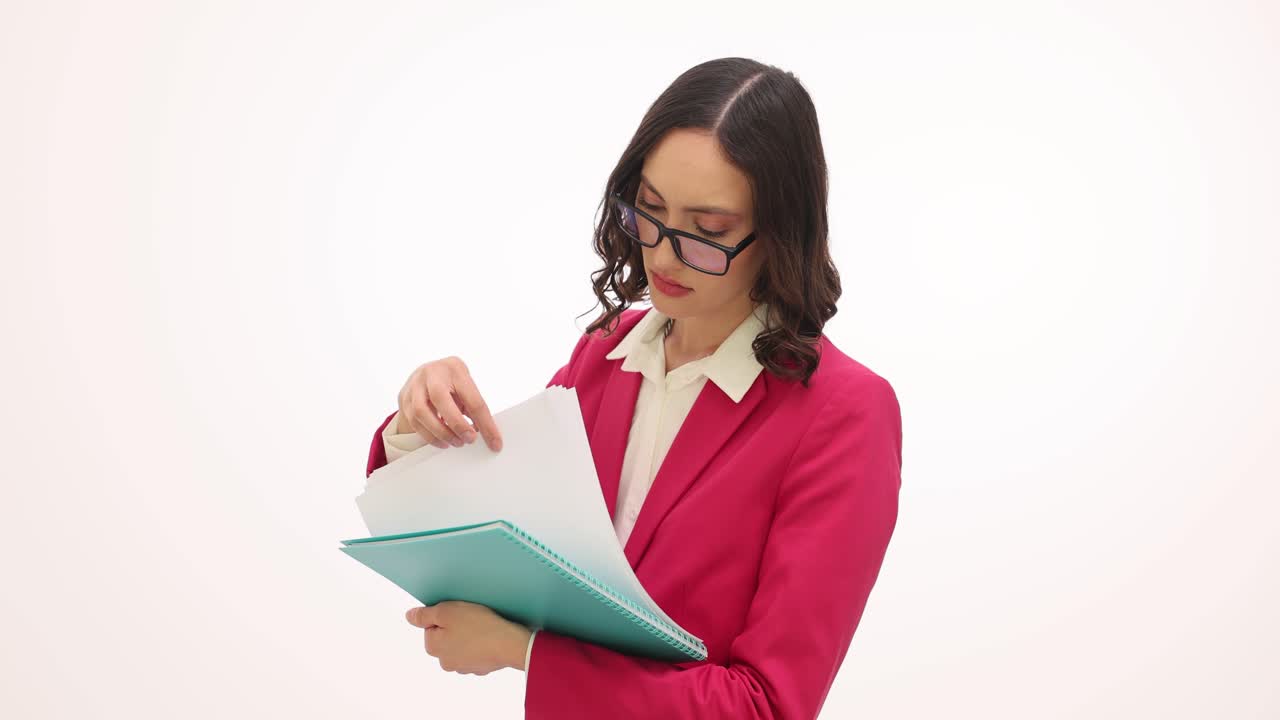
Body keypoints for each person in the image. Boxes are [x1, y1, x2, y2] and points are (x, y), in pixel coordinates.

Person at [365, 56, 903, 720]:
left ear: (780, 234)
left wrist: (529, 654)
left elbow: (766, 706)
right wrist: (421, 420)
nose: (663, 256)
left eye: (709, 233)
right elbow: (504, 542)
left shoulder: (844, 414)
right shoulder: (604, 357)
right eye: (647, 212)